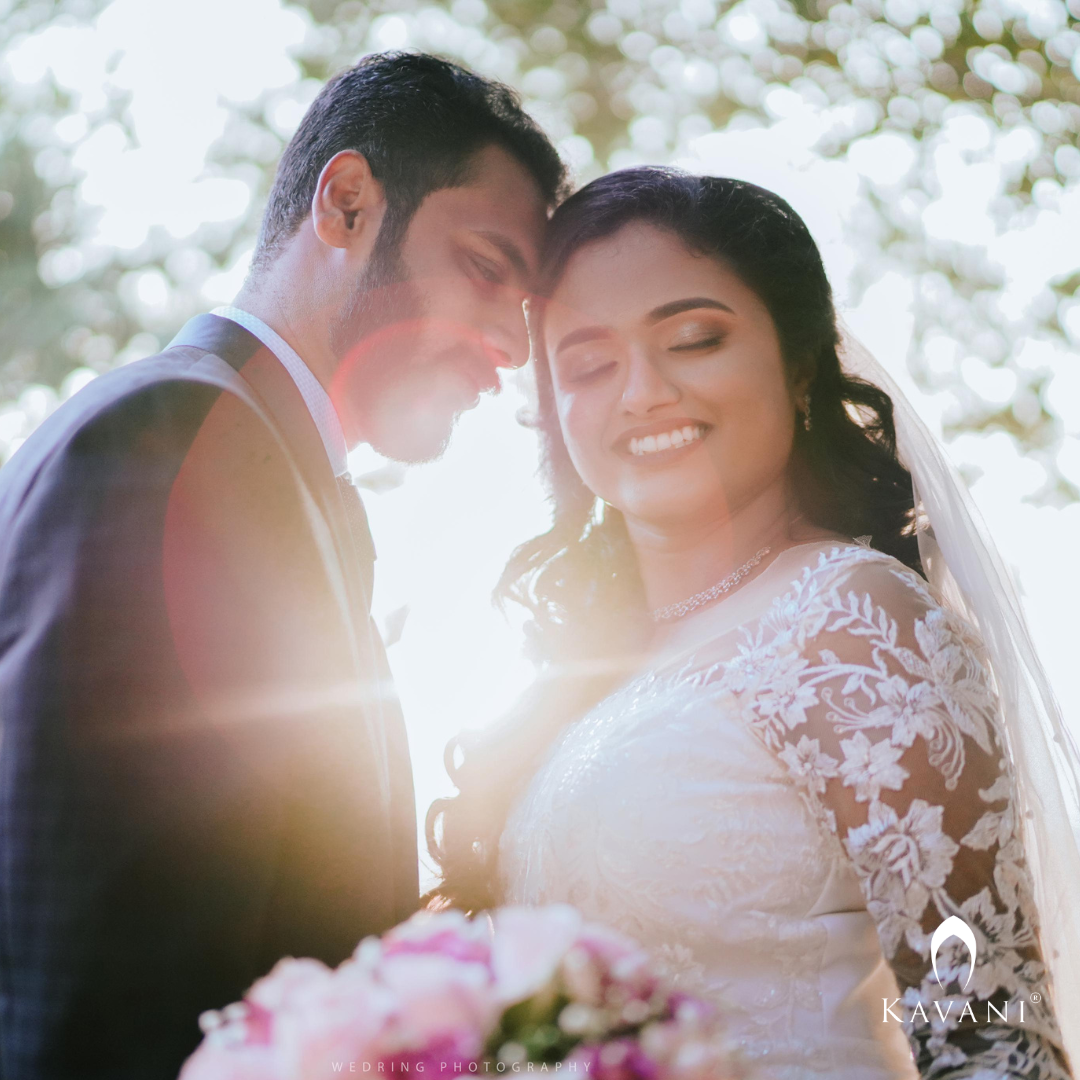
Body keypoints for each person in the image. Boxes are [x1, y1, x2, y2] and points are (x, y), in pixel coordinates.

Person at [427, 169, 1079, 1078]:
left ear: (799, 363)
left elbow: (988, 1034)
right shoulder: (588, 681)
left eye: (693, 339)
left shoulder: (851, 622)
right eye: (588, 364)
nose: (642, 392)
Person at [0, 52, 564, 1080]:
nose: (508, 347)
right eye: (486, 270)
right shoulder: (167, 442)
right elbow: (77, 965)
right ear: (346, 204)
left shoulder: (261, 469)